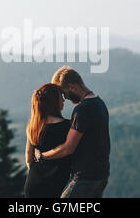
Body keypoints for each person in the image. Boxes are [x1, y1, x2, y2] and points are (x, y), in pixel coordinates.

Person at [34, 66, 110, 198]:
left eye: (64, 93)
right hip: (100, 175)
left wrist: (42, 156)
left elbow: (68, 148)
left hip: (84, 177)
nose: (65, 98)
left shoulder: (82, 109)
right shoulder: (100, 103)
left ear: (72, 87)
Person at [24, 83, 71, 197]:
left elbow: (29, 159)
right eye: (61, 97)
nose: (64, 101)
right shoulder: (68, 126)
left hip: (33, 184)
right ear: (54, 101)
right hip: (57, 185)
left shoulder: (35, 127)